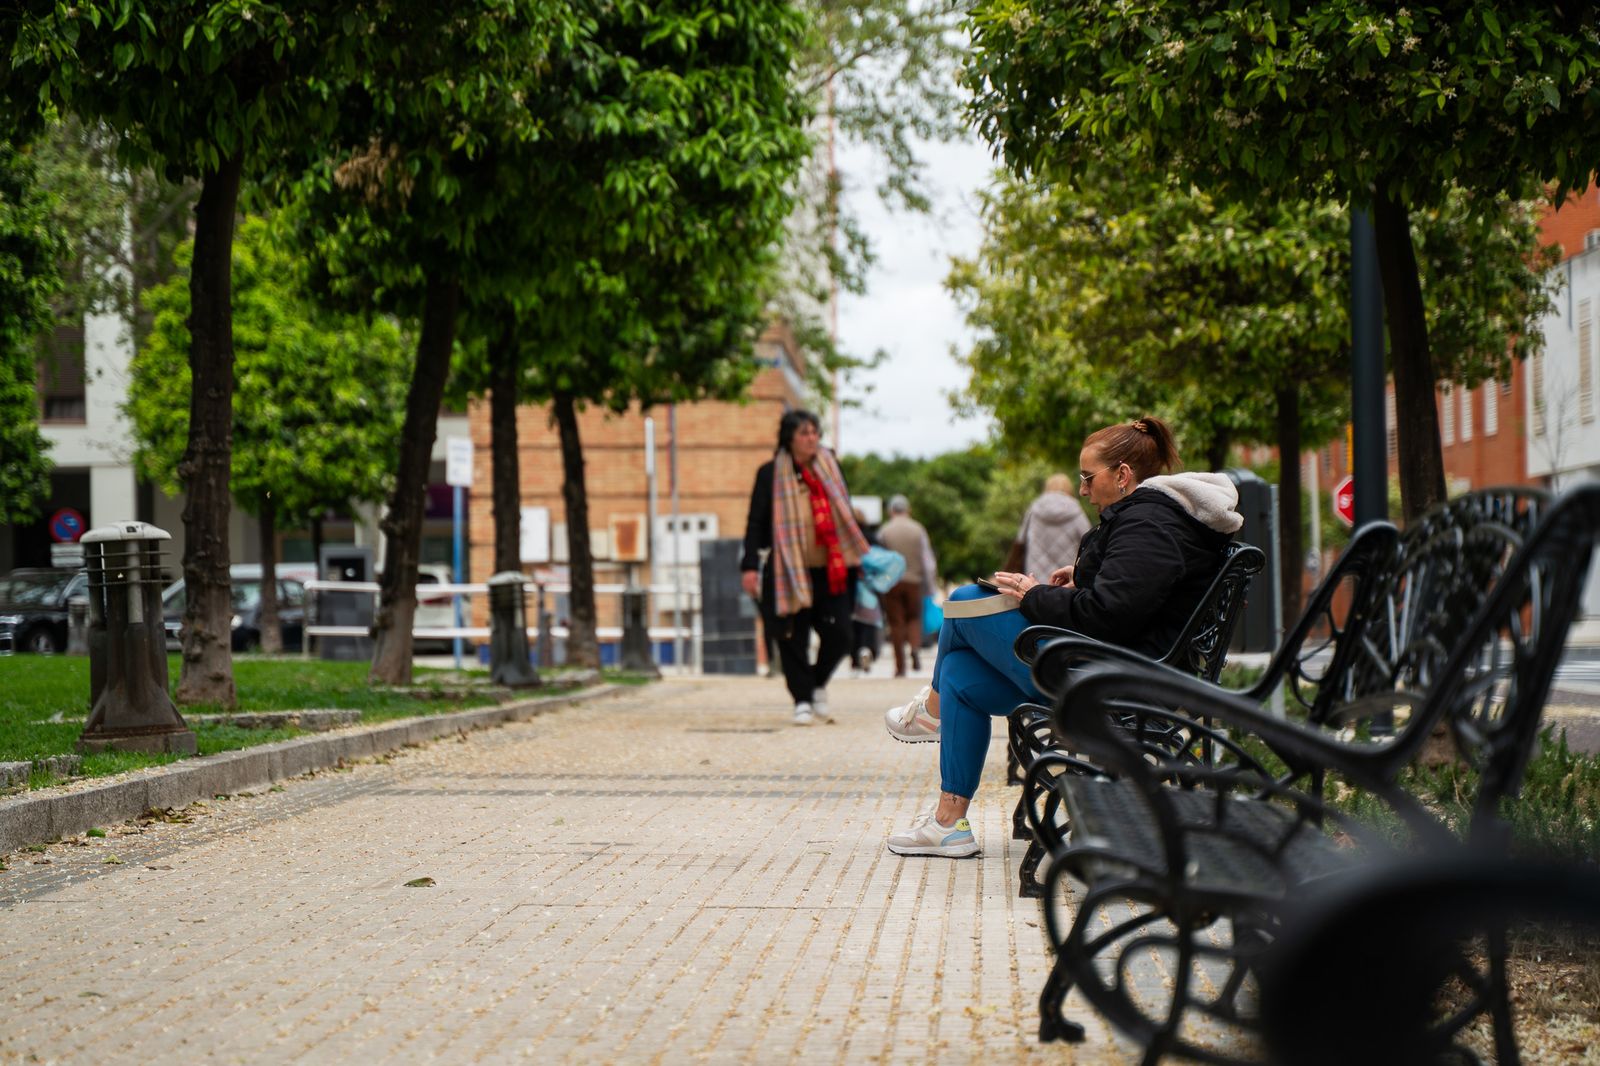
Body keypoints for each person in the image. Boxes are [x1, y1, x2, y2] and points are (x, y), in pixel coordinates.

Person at [881, 416, 1242, 857]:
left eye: (1089, 478)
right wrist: (1083, 576)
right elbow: (1132, 594)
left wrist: (1035, 596)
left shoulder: (1151, 524)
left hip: (1113, 679)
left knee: (963, 600)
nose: (1084, 489)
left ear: (1123, 475)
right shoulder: (1155, 517)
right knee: (958, 671)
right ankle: (947, 824)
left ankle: (930, 713)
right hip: (1115, 664)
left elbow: (1109, 614)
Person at [741, 410, 870, 726]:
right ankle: (801, 698)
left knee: (841, 633)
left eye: (815, 432)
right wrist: (749, 566)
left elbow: (844, 513)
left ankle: (815, 684)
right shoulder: (770, 474)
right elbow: (756, 522)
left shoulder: (830, 466)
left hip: (831, 567)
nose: (812, 438)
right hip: (788, 568)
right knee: (790, 636)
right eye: (804, 433)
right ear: (790, 438)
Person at [876, 494, 935, 676]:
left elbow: (879, 559)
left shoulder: (885, 531)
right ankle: (915, 648)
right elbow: (928, 561)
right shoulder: (918, 529)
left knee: (896, 622)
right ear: (907, 510)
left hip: (892, 582)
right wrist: (929, 585)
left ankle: (900, 666)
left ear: (890, 511)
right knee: (914, 618)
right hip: (914, 581)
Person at [1005, 473, 1091, 581]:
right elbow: (1090, 541)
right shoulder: (1075, 510)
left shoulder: (1034, 509)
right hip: (1064, 580)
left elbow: (1020, 540)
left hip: (1034, 580)